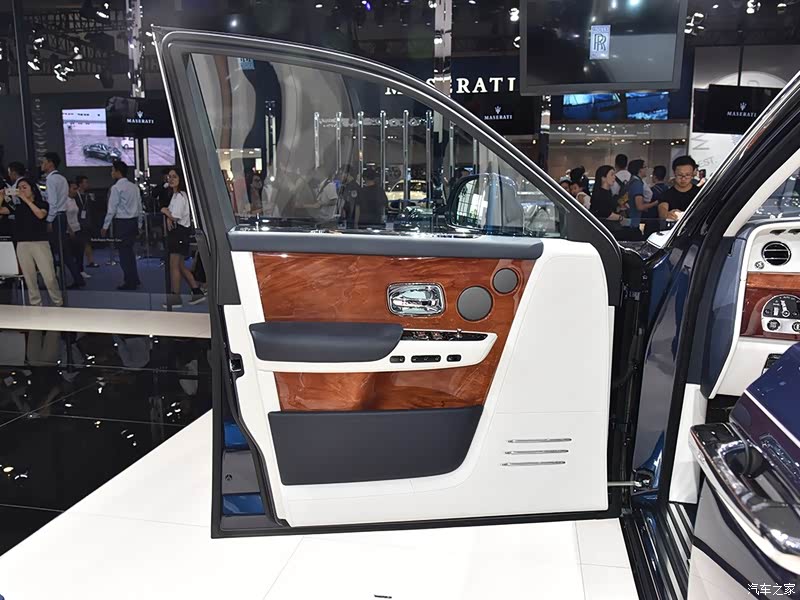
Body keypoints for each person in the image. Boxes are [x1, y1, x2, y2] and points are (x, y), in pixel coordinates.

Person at [0, 178, 63, 306]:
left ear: (32, 189)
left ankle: (58, 301)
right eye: (19, 188)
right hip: (22, 244)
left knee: (49, 276)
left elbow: (40, 215)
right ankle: (35, 303)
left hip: (40, 243)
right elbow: (1, 211)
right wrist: (2, 196)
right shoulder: (16, 207)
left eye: (24, 187)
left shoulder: (42, 203)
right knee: (29, 277)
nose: (21, 190)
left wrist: (25, 199)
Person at [160, 168, 206, 308]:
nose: (171, 179)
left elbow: (175, 216)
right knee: (179, 265)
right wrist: (168, 215)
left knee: (174, 266)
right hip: (178, 233)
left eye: (174, 176)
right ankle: (196, 291)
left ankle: (175, 297)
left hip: (179, 234)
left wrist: (165, 212)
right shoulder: (176, 195)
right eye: (169, 177)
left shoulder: (180, 196)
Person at [101, 160, 143, 290]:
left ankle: (129, 281)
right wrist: (140, 224)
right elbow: (140, 207)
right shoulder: (134, 187)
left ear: (118, 172)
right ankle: (134, 279)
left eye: (112, 170)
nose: (111, 172)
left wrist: (105, 226)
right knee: (130, 252)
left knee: (124, 254)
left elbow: (111, 209)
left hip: (122, 223)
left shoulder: (116, 188)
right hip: (133, 222)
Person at [590, 165, 641, 241]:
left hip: (611, 226)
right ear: (603, 178)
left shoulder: (608, 192)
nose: (614, 177)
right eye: (612, 174)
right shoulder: (601, 194)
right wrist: (621, 218)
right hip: (606, 228)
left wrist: (619, 208)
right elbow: (605, 213)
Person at [41, 152, 70, 282]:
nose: (42, 164)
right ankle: (74, 277)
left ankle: (56, 278)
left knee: (54, 249)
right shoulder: (62, 178)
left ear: (50, 163)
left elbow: (52, 203)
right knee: (63, 249)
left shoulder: (51, 179)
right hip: (62, 215)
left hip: (55, 217)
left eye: (44, 162)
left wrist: (49, 220)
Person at [659, 155, 700, 223]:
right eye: (680, 175)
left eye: (687, 175)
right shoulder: (666, 194)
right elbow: (662, 210)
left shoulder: (700, 193)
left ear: (693, 173)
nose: (683, 179)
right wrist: (667, 214)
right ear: (674, 173)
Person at [626, 159, 658, 235]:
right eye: (645, 167)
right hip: (633, 222)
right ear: (640, 170)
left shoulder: (631, 181)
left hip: (628, 219)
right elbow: (639, 206)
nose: (646, 169)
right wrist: (655, 203)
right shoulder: (637, 184)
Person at [64, 182, 86, 289]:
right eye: (74, 188)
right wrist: (69, 229)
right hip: (69, 232)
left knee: (79, 255)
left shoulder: (75, 200)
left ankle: (79, 277)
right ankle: (77, 278)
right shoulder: (64, 201)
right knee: (69, 256)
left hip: (78, 228)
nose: (76, 191)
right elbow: (64, 217)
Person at [75, 175, 99, 270]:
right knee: (81, 243)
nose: (87, 184)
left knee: (87, 242)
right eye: (85, 182)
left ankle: (90, 261)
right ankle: (84, 263)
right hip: (77, 222)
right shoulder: (75, 196)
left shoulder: (88, 196)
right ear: (80, 184)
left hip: (87, 222)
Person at [643, 165, 669, 237]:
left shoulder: (651, 191)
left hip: (652, 221)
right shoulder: (668, 190)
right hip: (664, 221)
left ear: (654, 177)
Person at [337, 164, 361, 229]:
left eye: (341, 174)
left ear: (347, 174)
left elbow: (355, 206)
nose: (340, 176)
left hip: (351, 221)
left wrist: (355, 223)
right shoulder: (346, 186)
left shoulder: (353, 187)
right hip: (347, 221)